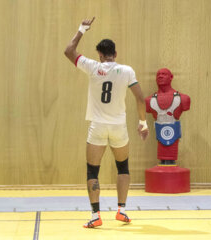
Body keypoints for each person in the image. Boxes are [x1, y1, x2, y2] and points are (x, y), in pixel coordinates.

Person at [64, 17, 149, 228]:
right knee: (123, 168)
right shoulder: (127, 71)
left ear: (100, 55)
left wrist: (82, 29)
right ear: (115, 54)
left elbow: (68, 51)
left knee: (92, 171)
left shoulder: (93, 66)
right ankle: (122, 211)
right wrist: (143, 123)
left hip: (98, 127)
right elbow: (140, 98)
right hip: (119, 127)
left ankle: (95, 216)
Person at [145, 68, 190, 163]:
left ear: (171, 77)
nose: (160, 76)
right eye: (158, 75)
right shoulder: (149, 101)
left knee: (170, 158)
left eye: (164, 74)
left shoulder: (183, 99)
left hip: (174, 137)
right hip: (160, 137)